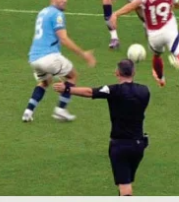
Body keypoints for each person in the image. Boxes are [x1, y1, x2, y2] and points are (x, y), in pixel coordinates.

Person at [53, 59, 150, 196]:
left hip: (120, 146)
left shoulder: (114, 91)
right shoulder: (144, 91)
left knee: (125, 188)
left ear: (117, 73)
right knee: (126, 181)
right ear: (134, 72)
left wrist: (67, 89)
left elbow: (89, 92)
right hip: (138, 145)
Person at [22, 0, 96, 122]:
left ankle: (28, 111)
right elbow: (64, 39)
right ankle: (60, 110)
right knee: (72, 76)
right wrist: (83, 54)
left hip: (34, 58)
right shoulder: (57, 15)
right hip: (49, 57)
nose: (65, 0)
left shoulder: (43, 12)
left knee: (45, 82)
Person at [110, 0, 179, 87]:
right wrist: (173, 6)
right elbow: (178, 5)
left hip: (153, 35)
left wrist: (116, 14)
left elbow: (132, 6)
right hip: (170, 30)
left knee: (157, 55)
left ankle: (161, 78)